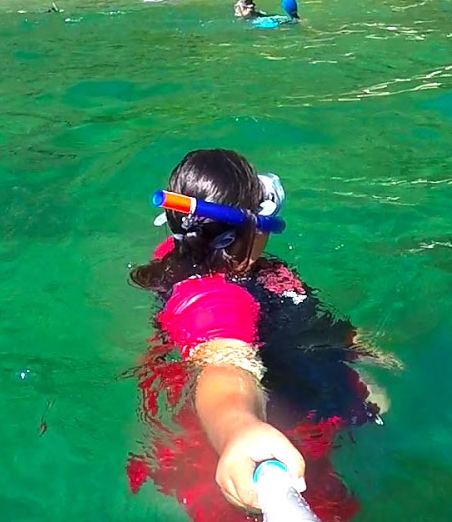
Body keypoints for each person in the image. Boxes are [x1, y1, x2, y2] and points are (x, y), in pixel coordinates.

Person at [126, 150, 391, 521]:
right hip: (247, 447)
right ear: (245, 231)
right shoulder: (214, 303)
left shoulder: (182, 253)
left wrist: (357, 352)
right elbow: (225, 365)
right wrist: (239, 428)